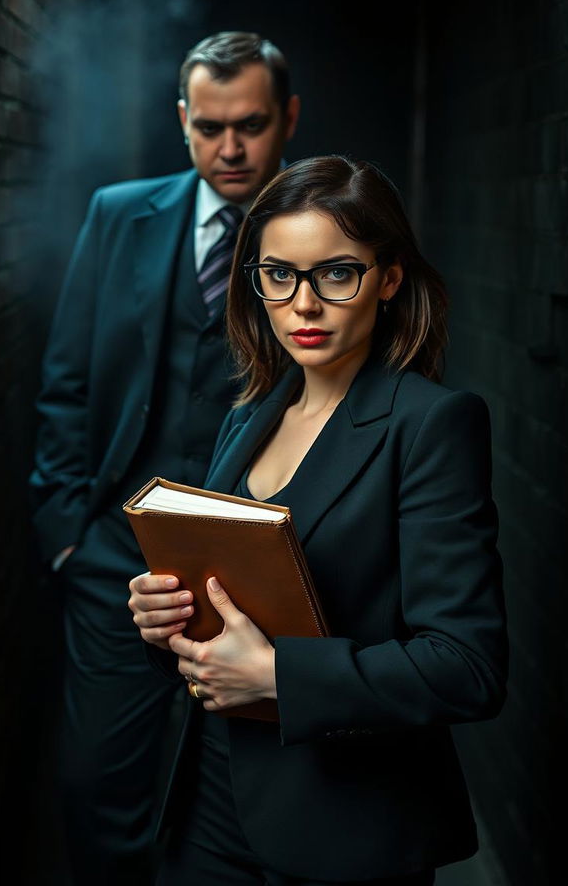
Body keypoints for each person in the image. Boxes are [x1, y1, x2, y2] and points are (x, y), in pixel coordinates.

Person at [129, 155, 508, 885]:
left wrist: (279, 677)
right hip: (209, 798)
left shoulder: (431, 425)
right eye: (279, 274)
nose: (304, 304)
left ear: (388, 279)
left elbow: (468, 667)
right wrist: (164, 616)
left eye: (336, 273)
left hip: (342, 821)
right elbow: (223, 609)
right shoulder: (247, 417)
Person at [29, 31, 300, 885]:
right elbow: (66, 379)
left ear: (288, 119)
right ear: (182, 119)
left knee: (237, 798)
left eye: (251, 125)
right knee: (94, 780)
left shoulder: (325, 228)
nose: (229, 148)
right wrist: (68, 531)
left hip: (262, 557)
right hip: (116, 549)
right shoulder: (120, 214)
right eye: (210, 125)